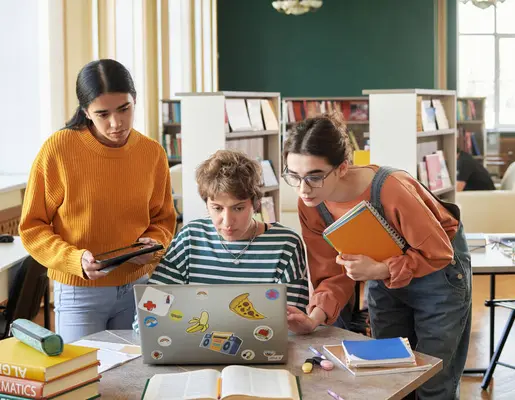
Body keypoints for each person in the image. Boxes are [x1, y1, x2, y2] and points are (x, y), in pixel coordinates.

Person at [282, 113, 472, 400]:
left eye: (315, 176)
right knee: (390, 377)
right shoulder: (310, 203)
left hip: (438, 276)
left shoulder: (391, 188)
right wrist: (314, 318)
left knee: (434, 384)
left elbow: (439, 253)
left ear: (342, 167)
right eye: (293, 176)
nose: (303, 189)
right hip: (383, 277)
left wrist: (381, 270)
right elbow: (332, 273)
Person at [19, 59, 176, 343]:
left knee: (135, 375)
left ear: (135, 100)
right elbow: (32, 227)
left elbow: (163, 219)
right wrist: (75, 259)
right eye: (102, 114)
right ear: (85, 112)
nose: (116, 123)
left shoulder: (152, 153)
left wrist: (152, 245)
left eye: (124, 109)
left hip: (139, 286)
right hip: (80, 292)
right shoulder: (58, 149)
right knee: (83, 379)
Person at [133, 149, 309, 333]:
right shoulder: (191, 238)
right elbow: (147, 313)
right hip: (192, 352)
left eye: (238, 208)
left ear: (256, 204)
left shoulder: (286, 245)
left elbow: (291, 327)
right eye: (217, 208)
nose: (227, 221)